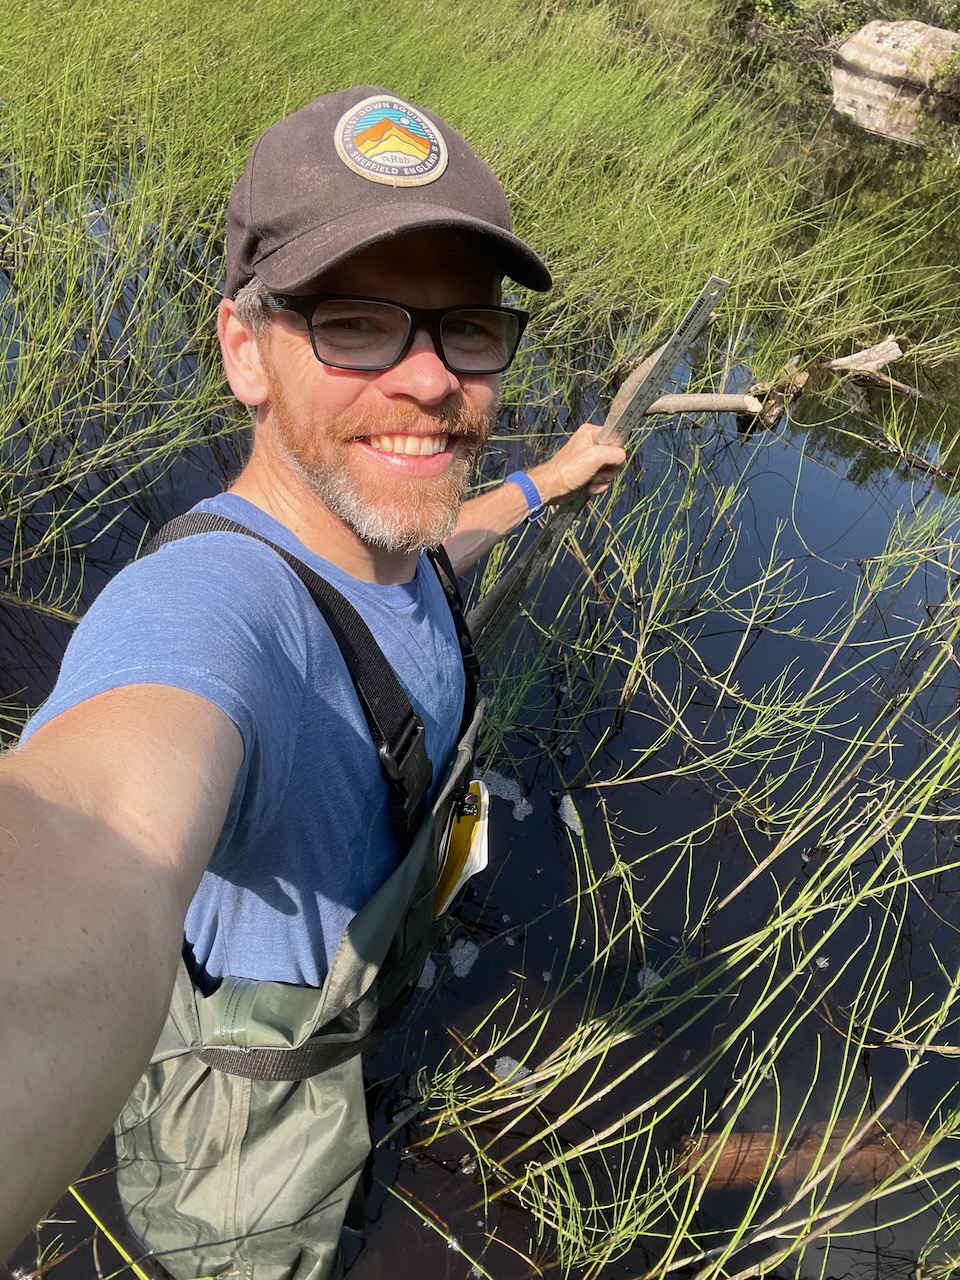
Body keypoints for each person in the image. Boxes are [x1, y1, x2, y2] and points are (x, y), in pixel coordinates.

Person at [0, 86, 626, 1277]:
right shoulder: (214, 609)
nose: (431, 380)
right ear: (245, 347)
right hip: (255, 1142)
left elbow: (426, 559)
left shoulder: (381, 532)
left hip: (365, 1025)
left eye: (467, 326)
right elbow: (89, 823)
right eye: (355, 324)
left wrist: (547, 480)